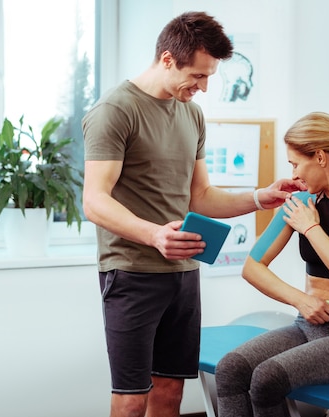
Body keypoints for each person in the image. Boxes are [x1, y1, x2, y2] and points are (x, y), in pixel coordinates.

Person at [81, 11, 306, 417]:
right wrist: (154, 236)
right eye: (198, 76)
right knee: (132, 399)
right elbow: (94, 201)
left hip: (183, 275)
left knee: (170, 394)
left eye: (208, 78)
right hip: (131, 272)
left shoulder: (191, 115)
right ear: (167, 59)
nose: (203, 88)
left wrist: (260, 197)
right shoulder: (115, 110)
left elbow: (200, 196)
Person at [215, 112, 329, 417]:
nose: (294, 174)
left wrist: (311, 228)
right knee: (231, 368)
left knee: (267, 378)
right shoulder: (301, 202)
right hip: (307, 325)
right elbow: (252, 266)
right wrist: (301, 300)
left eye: (296, 164)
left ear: (321, 157)